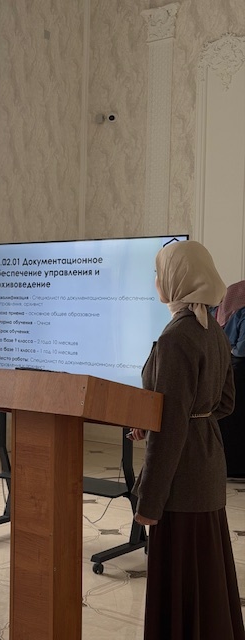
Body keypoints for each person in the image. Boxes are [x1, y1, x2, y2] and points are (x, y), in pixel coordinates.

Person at [128, 240, 244, 640]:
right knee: (205, 576)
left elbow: (171, 430)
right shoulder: (213, 331)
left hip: (181, 479)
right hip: (208, 466)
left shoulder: (176, 337)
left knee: (180, 579)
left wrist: (149, 503)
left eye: (159, 273)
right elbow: (225, 402)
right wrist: (186, 418)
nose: (156, 281)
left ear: (178, 279)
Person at [215, 280, 245, 478]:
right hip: (238, 369)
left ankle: (231, 467)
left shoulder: (231, 299)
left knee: (232, 420)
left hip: (232, 368)